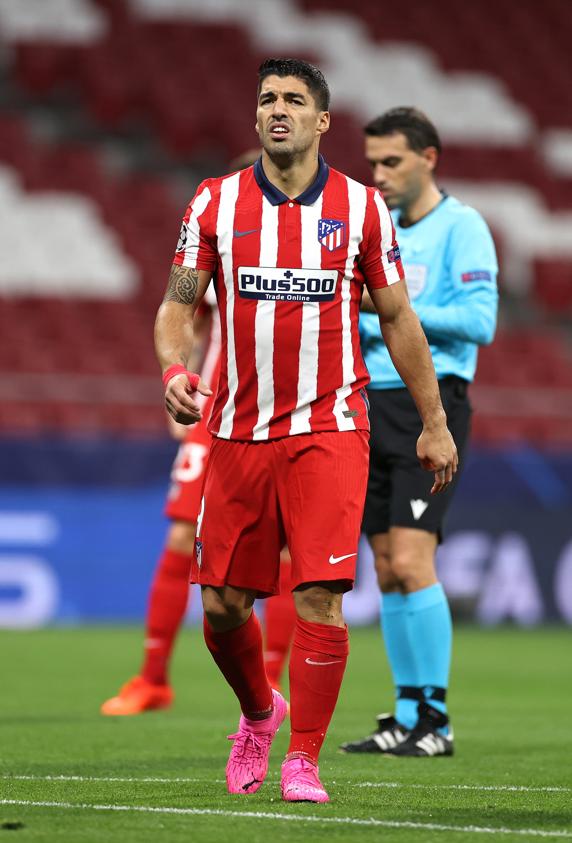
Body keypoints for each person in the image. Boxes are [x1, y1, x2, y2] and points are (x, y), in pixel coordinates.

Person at [154, 59, 457, 803]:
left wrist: (434, 421)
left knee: (321, 593)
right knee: (223, 605)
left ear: (323, 121)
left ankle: (304, 759)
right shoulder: (215, 203)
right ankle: (260, 711)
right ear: (254, 117)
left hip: (331, 426)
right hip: (238, 429)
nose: (277, 109)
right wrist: (172, 371)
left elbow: (396, 316)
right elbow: (176, 306)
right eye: (266, 99)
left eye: (294, 99)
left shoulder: (359, 209)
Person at [101, 154, 297, 717]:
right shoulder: (218, 236)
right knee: (183, 537)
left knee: (283, 549)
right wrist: (178, 378)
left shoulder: (314, 243)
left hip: (288, 415)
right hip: (215, 414)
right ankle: (152, 679)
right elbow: (184, 311)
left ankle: (268, 683)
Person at [340, 107, 498, 757]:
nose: (377, 175)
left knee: (411, 559)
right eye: (372, 162)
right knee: (385, 568)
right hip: (366, 406)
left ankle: (436, 718)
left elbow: (480, 320)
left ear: (429, 157)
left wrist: (388, 307)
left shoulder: (462, 226)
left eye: (392, 162)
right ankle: (407, 715)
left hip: (427, 407)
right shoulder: (376, 228)